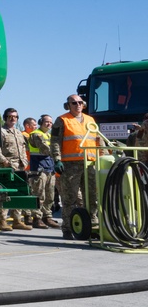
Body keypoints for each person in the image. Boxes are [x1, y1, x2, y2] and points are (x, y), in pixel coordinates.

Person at [50, 95, 101, 240]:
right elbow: (55, 142)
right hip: (70, 165)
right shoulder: (62, 120)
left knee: (92, 198)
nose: (78, 105)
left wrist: (102, 155)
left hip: (90, 163)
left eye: (80, 102)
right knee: (70, 198)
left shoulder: (90, 120)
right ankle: (67, 228)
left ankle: (93, 227)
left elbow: (98, 139)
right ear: (68, 105)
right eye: (74, 103)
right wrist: (57, 159)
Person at [0, 108, 32, 231]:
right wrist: (4, 162)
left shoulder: (19, 133)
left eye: (15, 117)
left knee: (18, 193)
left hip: (20, 166)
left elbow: (23, 149)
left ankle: (17, 220)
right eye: (10, 116)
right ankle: (2, 221)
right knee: (5, 193)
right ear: (5, 118)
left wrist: (25, 161)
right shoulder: (1, 132)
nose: (13, 118)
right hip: (6, 167)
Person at [28, 115, 60, 228]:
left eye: (51, 122)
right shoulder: (36, 134)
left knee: (50, 195)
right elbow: (45, 149)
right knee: (39, 194)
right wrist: (58, 152)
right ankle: (37, 218)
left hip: (50, 168)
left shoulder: (49, 135)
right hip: (39, 169)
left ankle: (47, 216)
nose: (49, 124)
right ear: (41, 122)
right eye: (47, 122)